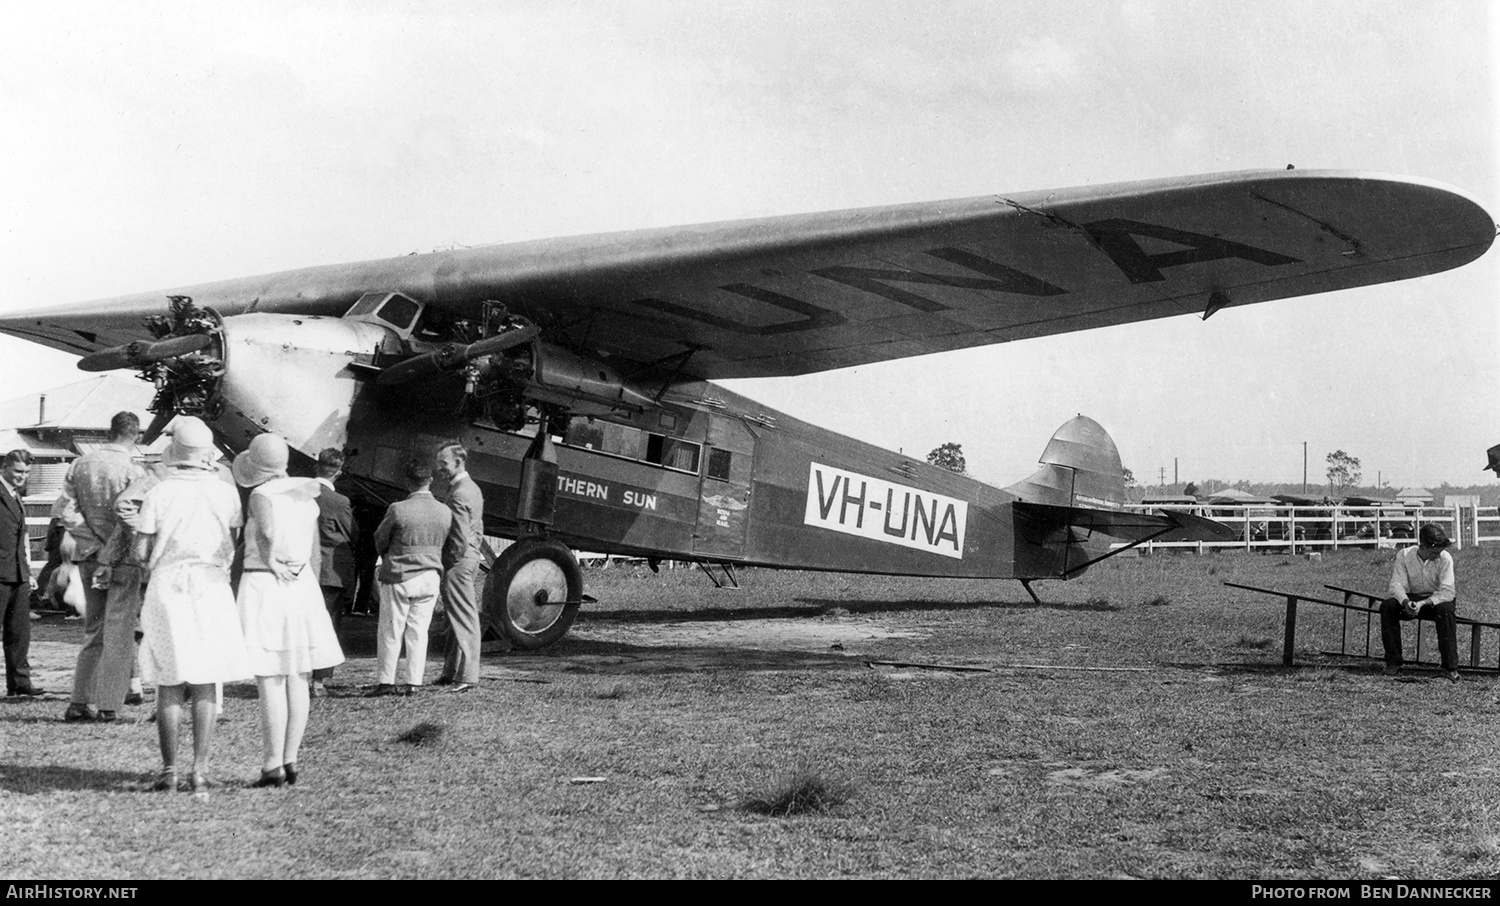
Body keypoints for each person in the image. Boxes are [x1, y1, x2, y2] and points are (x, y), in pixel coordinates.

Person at [133, 417, 250, 794]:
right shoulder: (225, 492)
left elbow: (140, 551)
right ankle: (199, 769)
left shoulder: (159, 492)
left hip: (168, 586)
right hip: (212, 586)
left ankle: (169, 770)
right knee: (204, 681)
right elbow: (233, 538)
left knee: (169, 680)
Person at [233, 433, 344, 787]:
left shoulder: (262, 495)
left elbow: (265, 532)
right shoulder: (304, 493)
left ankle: (271, 764)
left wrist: (272, 561)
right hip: (301, 584)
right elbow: (310, 547)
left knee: (270, 677)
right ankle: (290, 759)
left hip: (266, 582)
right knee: (298, 676)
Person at [62, 411, 146, 723]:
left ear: (110, 432)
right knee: (120, 631)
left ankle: (79, 701)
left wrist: (93, 543)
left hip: (87, 556)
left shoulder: (79, 463)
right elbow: (129, 520)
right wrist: (109, 550)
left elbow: (64, 512)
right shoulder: (134, 470)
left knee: (93, 629)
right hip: (123, 558)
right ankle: (109, 705)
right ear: (134, 436)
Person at [369, 457, 456, 697]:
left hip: (400, 575)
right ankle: (413, 683)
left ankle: (386, 682)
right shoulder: (444, 511)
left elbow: (380, 539)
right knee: (419, 631)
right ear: (430, 480)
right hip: (430, 577)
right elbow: (450, 544)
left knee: (391, 630)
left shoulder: (398, 509)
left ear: (408, 482)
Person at [1380, 524, 1460, 681]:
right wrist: (1405, 602)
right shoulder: (1404, 555)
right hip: (1412, 598)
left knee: (1446, 611)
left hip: (1437, 600)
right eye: (1434, 552)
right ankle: (1393, 662)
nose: (1438, 555)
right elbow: (1397, 585)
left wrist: (1424, 603)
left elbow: (1448, 592)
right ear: (1422, 546)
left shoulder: (1445, 558)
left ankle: (1450, 667)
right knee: (1388, 606)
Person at [435, 441, 484, 693]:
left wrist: (447, 563)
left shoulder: (460, 493)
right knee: (455, 618)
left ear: (458, 462)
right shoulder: (470, 488)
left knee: (464, 618)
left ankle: (467, 676)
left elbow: (458, 537)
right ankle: (451, 672)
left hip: (458, 561)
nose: (439, 468)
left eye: (443, 463)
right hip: (468, 559)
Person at [310, 448, 357, 698]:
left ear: (316, 467)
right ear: (338, 472)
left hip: (300, 570)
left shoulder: (300, 493)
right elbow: (353, 534)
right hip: (329, 572)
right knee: (327, 625)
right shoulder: (340, 502)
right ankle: (319, 681)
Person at [0, 450, 41, 698]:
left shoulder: (16, 496)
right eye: (18, 471)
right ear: (5, 467)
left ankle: (20, 684)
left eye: (26, 472)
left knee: (19, 633)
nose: (22, 477)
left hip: (18, 575)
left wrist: (28, 573)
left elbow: (19, 538)